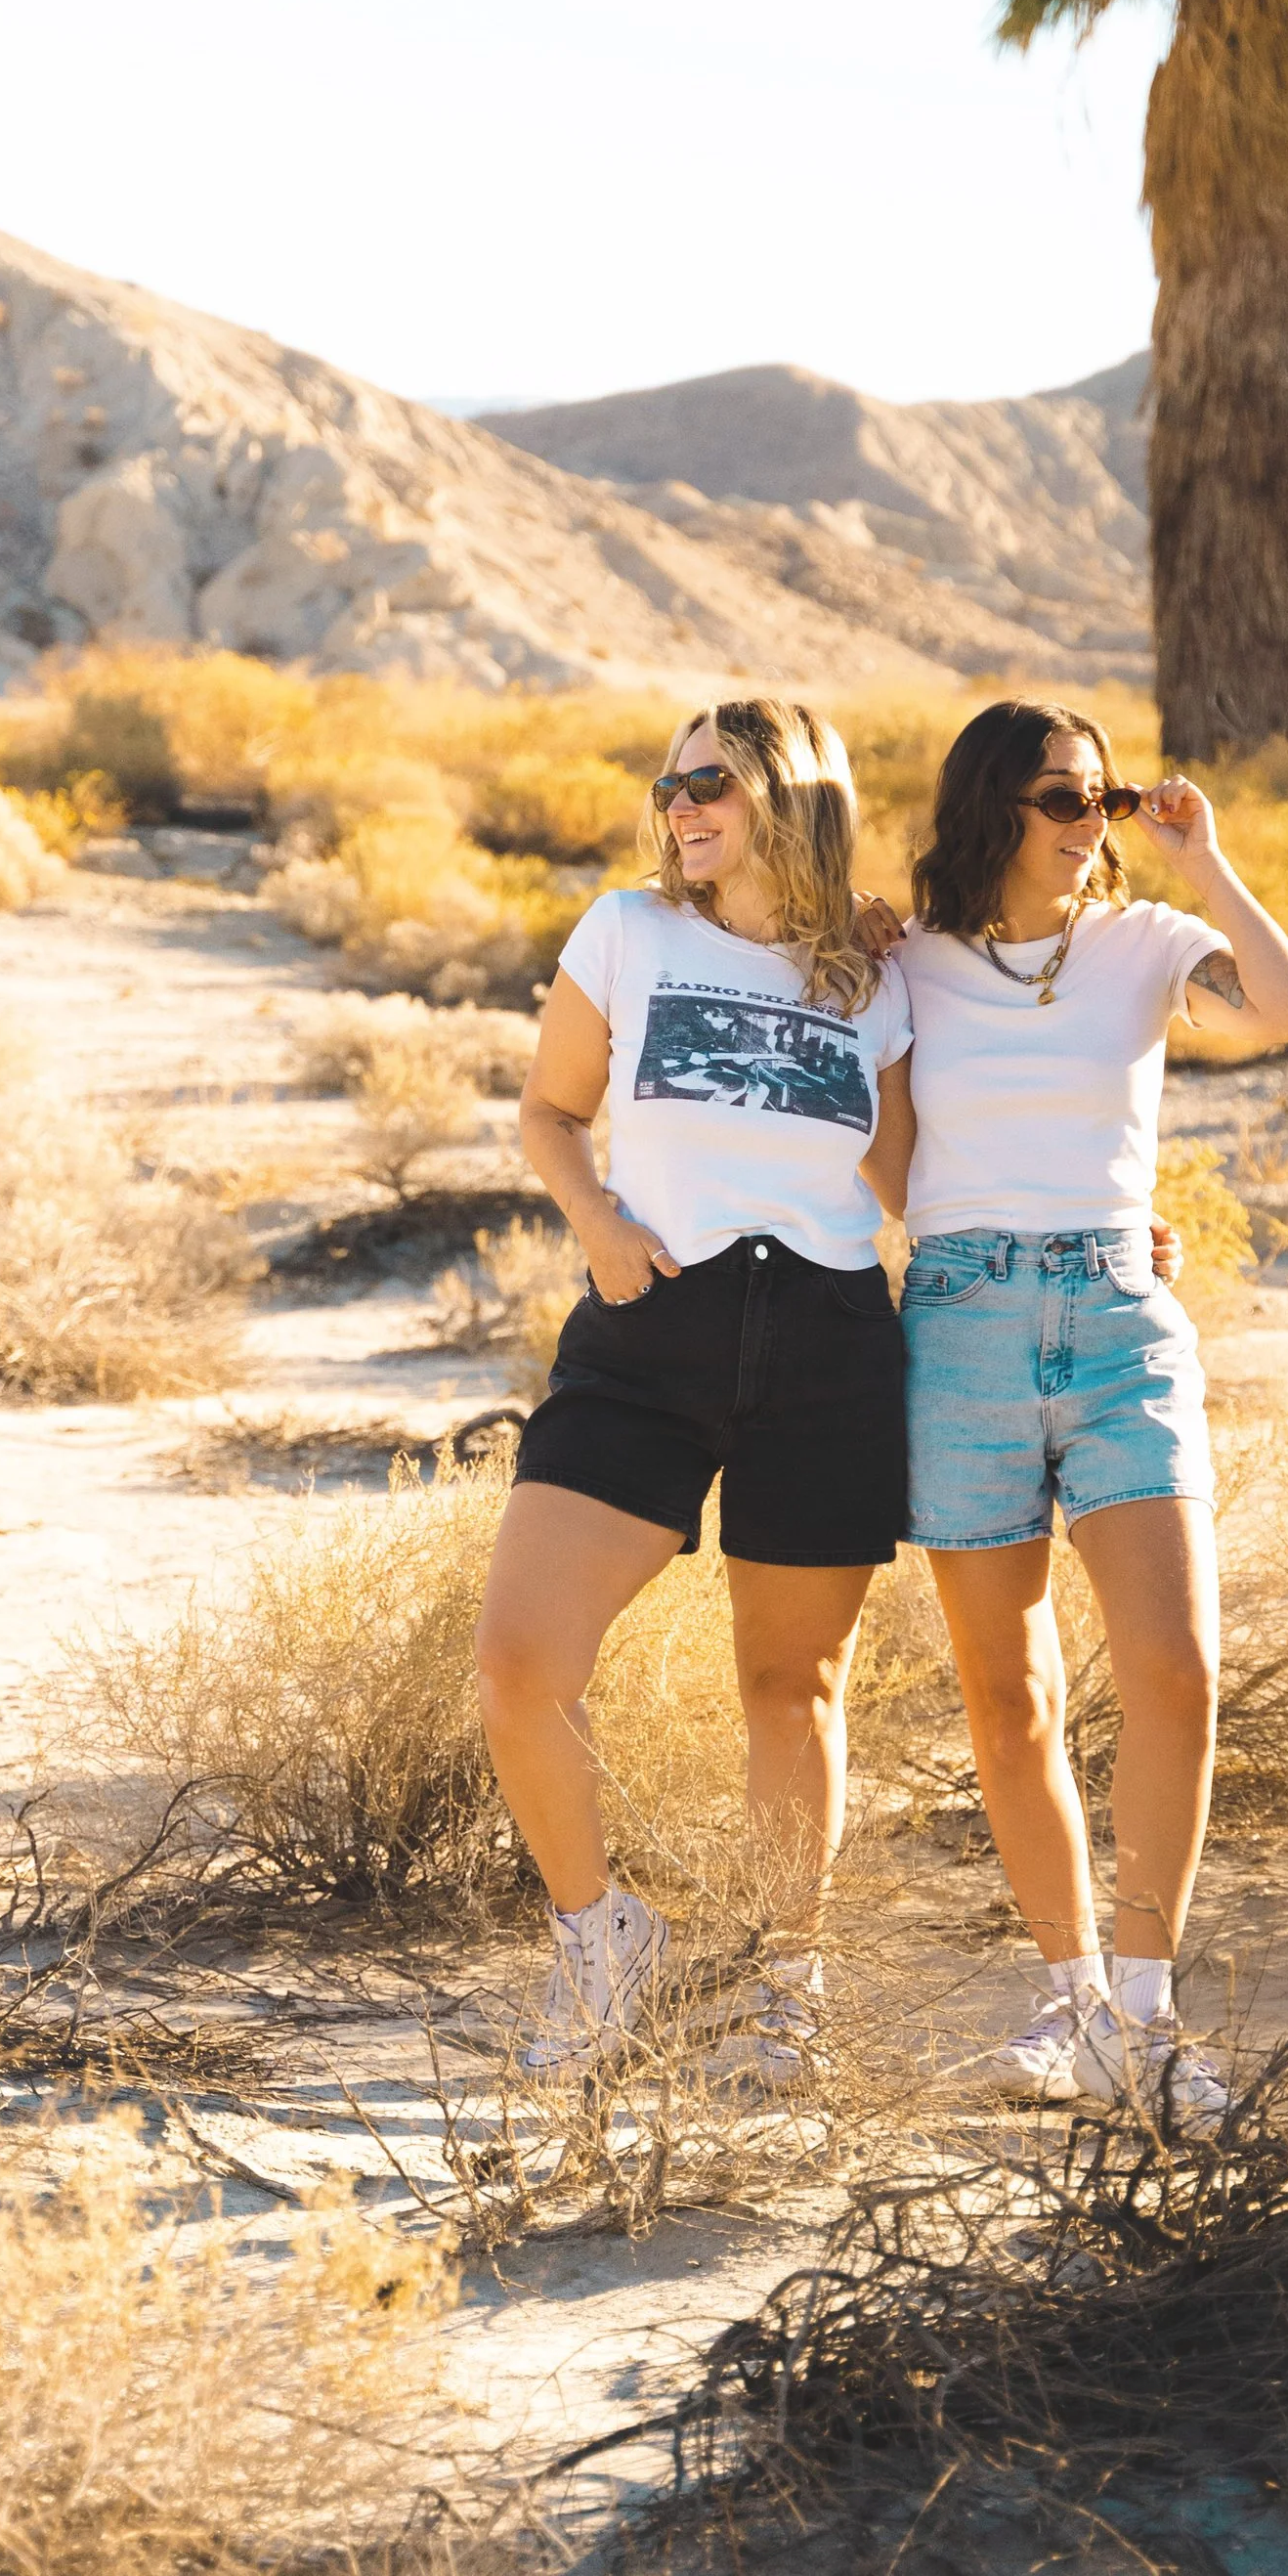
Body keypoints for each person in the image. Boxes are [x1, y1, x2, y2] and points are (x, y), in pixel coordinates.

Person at [896, 699, 1288, 2127]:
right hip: (960, 1324)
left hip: (1120, 1327)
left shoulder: (1145, 947)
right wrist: (978, 1237)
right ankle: (1068, 2000)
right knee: (1009, 1697)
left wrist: (1201, 859)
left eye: (1106, 795)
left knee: (1177, 1672)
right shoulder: (911, 962)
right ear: (993, 811)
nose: (1097, 820)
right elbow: (877, 1147)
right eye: (1067, 799)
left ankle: (1142, 2018)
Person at [474, 698, 916, 2086]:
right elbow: (548, 1113)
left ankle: (792, 1985)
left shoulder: (881, 974)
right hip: (650, 1325)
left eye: (709, 782)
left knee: (794, 1689)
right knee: (520, 1664)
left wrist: (1098, 1229)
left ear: (789, 789)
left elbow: (913, 1182)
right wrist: (597, 1222)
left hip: (831, 1337)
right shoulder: (628, 933)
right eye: (666, 788)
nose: (679, 809)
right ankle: (603, 1941)